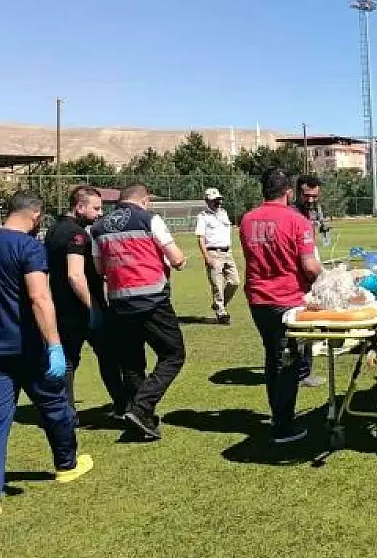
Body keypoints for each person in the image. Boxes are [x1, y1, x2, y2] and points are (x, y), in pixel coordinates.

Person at [0, 190, 94, 527]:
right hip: (28, 347)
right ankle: (66, 465)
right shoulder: (30, 247)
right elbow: (39, 297)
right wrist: (55, 345)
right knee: (55, 406)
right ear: (36, 215)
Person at [90, 183, 188, 440]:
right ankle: (141, 407)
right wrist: (179, 262)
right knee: (173, 354)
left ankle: (140, 418)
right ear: (144, 200)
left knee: (132, 363)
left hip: (119, 303)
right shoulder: (149, 219)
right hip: (152, 299)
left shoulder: (98, 226)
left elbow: (100, 269)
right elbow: (176, 258)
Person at [239, 168, 323, 444]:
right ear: (288, 192)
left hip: (258, 299)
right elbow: (310, 266)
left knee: (272, 357)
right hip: (287, 299)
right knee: (289, 361)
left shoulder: (247, 220)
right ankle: (283, 424)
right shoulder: (297, 221)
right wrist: (324, 280)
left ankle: (278, 415)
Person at [44, 185, 125, 420]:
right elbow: (75, 274)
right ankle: (122, 404)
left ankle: (65, 411)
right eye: (96, 208)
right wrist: (93, 307)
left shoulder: (54, 231)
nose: (100, 213)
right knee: (108, 354)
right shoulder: (77, 235)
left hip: (61, 306)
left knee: (69, 359)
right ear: (79, 207)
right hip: (82, 307)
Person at [292, 174, 329, 387]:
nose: (312, 199)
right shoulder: (293, 213)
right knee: (303, 325)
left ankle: (304, 370)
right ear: (298, 192)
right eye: (307, 195)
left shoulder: (311, 211)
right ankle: (301, 373)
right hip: (300, 275)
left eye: (315, 196)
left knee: (309, 324)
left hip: (310, 267)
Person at [194, 187, 239, 325]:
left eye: (219, 200)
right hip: (213, 252)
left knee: (235, 282)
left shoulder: (224, 213)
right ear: (207, 201)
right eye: (215, 200)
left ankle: (219, 304)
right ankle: (221, 313)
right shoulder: (203, 217)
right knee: (217, 286)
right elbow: (200, 238)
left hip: (227, 252)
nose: (218, 203)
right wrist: (206, 257)